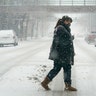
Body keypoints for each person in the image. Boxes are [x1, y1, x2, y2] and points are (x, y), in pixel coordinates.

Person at [41, 16, 77, 91]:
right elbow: (61, 41)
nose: (69, 23)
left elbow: (64, 39)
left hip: (62, 53)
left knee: (57, 69)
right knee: (66, 69)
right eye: (67, 21)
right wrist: (70, 38)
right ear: (63, 21)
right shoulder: (61, 28)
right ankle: (68, 85)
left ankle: (45, 82)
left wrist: (70, 38)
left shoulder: (62, 28)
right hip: (62, 53)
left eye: (70, 21)